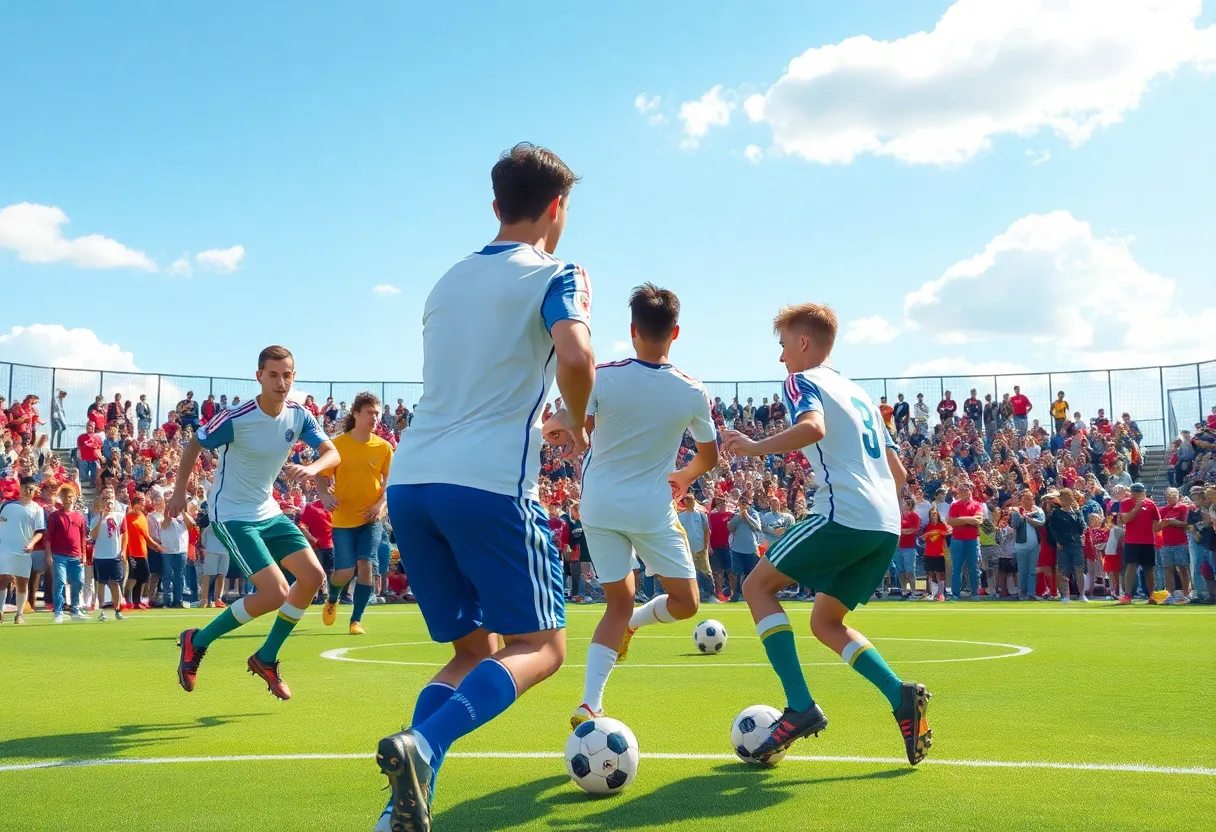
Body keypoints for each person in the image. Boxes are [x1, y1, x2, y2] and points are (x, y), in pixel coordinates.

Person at [372, 143, 596, 832]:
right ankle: (424, 745)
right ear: (557, 208)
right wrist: (578, 421)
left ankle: (399, 810)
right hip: (489, 484)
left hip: (412, 483)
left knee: (472, 651)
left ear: (496, 205)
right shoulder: (560, 271)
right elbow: (578, 354)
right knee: (544, 647)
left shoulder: (446, 280)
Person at [720, 302, 931, 767]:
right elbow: (897, 471)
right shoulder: (860, 396)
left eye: (782, 347)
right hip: (884, 525)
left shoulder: (803, 380)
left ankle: (799, 707)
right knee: (825, 622)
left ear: (802, 343)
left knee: (756, 586)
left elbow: (811, 427)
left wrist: (755, 447)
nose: (781, 360)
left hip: (845, 515)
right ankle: (900, 696)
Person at [550, 284, 718, 728]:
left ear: (632, 330)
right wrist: (684, 476)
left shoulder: (603, 376)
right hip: (650, 509)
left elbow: (569, 422)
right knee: (687, 603)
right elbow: (710, 456)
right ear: (675, 332)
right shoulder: (692, 391)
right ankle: (635, 625)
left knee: (615, 603)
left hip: (600, 505)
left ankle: (590, 702)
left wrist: (570, 431)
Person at [172, 345, 339, 700]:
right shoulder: (237, 417)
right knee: (275, 592)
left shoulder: (299, 415)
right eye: (274, 375)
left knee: (312, 577)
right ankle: (196, 641)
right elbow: (193, 445)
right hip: (232, 515)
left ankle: (266, 657)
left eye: (288, 375)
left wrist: (310, 468)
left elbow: (332, 452)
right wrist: (177, 493)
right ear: (259, 376)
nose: (282, 382)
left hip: (268, 511)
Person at [317, 392, 393, 635]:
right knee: (344, 572)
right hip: (342, 519)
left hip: (372, 519)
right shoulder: (337, 445)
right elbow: (321, 475)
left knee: (366, 565)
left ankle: (356, 620)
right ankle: (333, 597)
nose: (375, 418)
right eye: (370, 412)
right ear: (356, 414)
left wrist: (381, 505)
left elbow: (391, 482)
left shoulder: (384, 447)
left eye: (377, 414)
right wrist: (325, 495)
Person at [0, 477, 47, 624]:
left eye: (32, 489)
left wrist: (31, 544)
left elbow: (40, 531)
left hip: (23, 551)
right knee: (2, 581)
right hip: (5, 549)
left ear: (35, 491)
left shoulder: (38, 509)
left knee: (22, 582)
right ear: (20, 488)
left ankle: (19, 614)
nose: (28, 491)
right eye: (26, 488)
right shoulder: (6, 506)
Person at [45, 483, 89, 622]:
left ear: (75, 498)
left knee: (79, 583)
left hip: (76, 556)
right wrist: (48, 555)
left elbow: (83, 537)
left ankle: (75, 610)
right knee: (60, 583)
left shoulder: (80, 517)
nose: (68, 499)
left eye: (70, 496)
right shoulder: (54, 516)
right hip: (59, 556)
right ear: (61, 498)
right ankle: (58, 612)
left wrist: (84, 555)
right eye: (65, 496)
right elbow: (48, 537)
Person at [1119, 483, 1160, 605]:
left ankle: (1151, 595)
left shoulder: (1151, 504)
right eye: (1135, 491)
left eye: (1139, 491)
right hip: (1132, 540)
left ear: (1144, 492)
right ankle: (1128, 595)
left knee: (1149, 568)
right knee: (1131, 567)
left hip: (1147, 541)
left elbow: (1157, 523)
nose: (1137, 494)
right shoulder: (1126, 502)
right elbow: (1126, 519)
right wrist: (1137, 507)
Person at [90, 488, 128, 620]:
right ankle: (102, 610)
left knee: (115, 583)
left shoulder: (120, 516)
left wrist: (123, 550)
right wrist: (102, 518)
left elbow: (124, 535)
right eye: (105, 501)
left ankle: (117, 610)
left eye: (110, 502)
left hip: (114, 554)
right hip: (100, 555)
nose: (108, 504)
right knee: (101, 583)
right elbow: (93, 535)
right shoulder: (96, 519)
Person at [1047, 488, 1088, 602]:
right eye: (1066, 498)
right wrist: (1058, 541)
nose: (1069, 500)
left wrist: (1077, 512)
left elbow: (1083, 527)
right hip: (1063, 544)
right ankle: (1065, 595)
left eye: (1070, 498)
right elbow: (1053, 529)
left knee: (1079, 569)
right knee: (1064, 569)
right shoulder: (1057, 513)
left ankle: (1082, 594)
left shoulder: (1077, 512)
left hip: (1076, 543)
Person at [945, 480, 983, 600]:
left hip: (972, 540)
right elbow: (950, 521)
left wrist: (959, 519)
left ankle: (975, 593)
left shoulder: (977, 505)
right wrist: (969, 519)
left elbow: (979, 520)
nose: (963, 491)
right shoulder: (955, 505)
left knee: (974, 568)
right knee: (956, 568)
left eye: (965, 489)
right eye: (961, 489)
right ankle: (955, 594)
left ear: (970, 490)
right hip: (957, 540)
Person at [922, 506, 948, 602]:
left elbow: (946, 536)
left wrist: (946, 553)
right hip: (928, 552)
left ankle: (940, 594)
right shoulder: (927, 526)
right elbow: (923, 538)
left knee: (940, 573)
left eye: (935, 513)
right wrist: (930, 532)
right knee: (930, 573)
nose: (934, 515)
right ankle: (931, 594)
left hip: (939, 553)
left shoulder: (942, 525)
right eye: (932, 513)